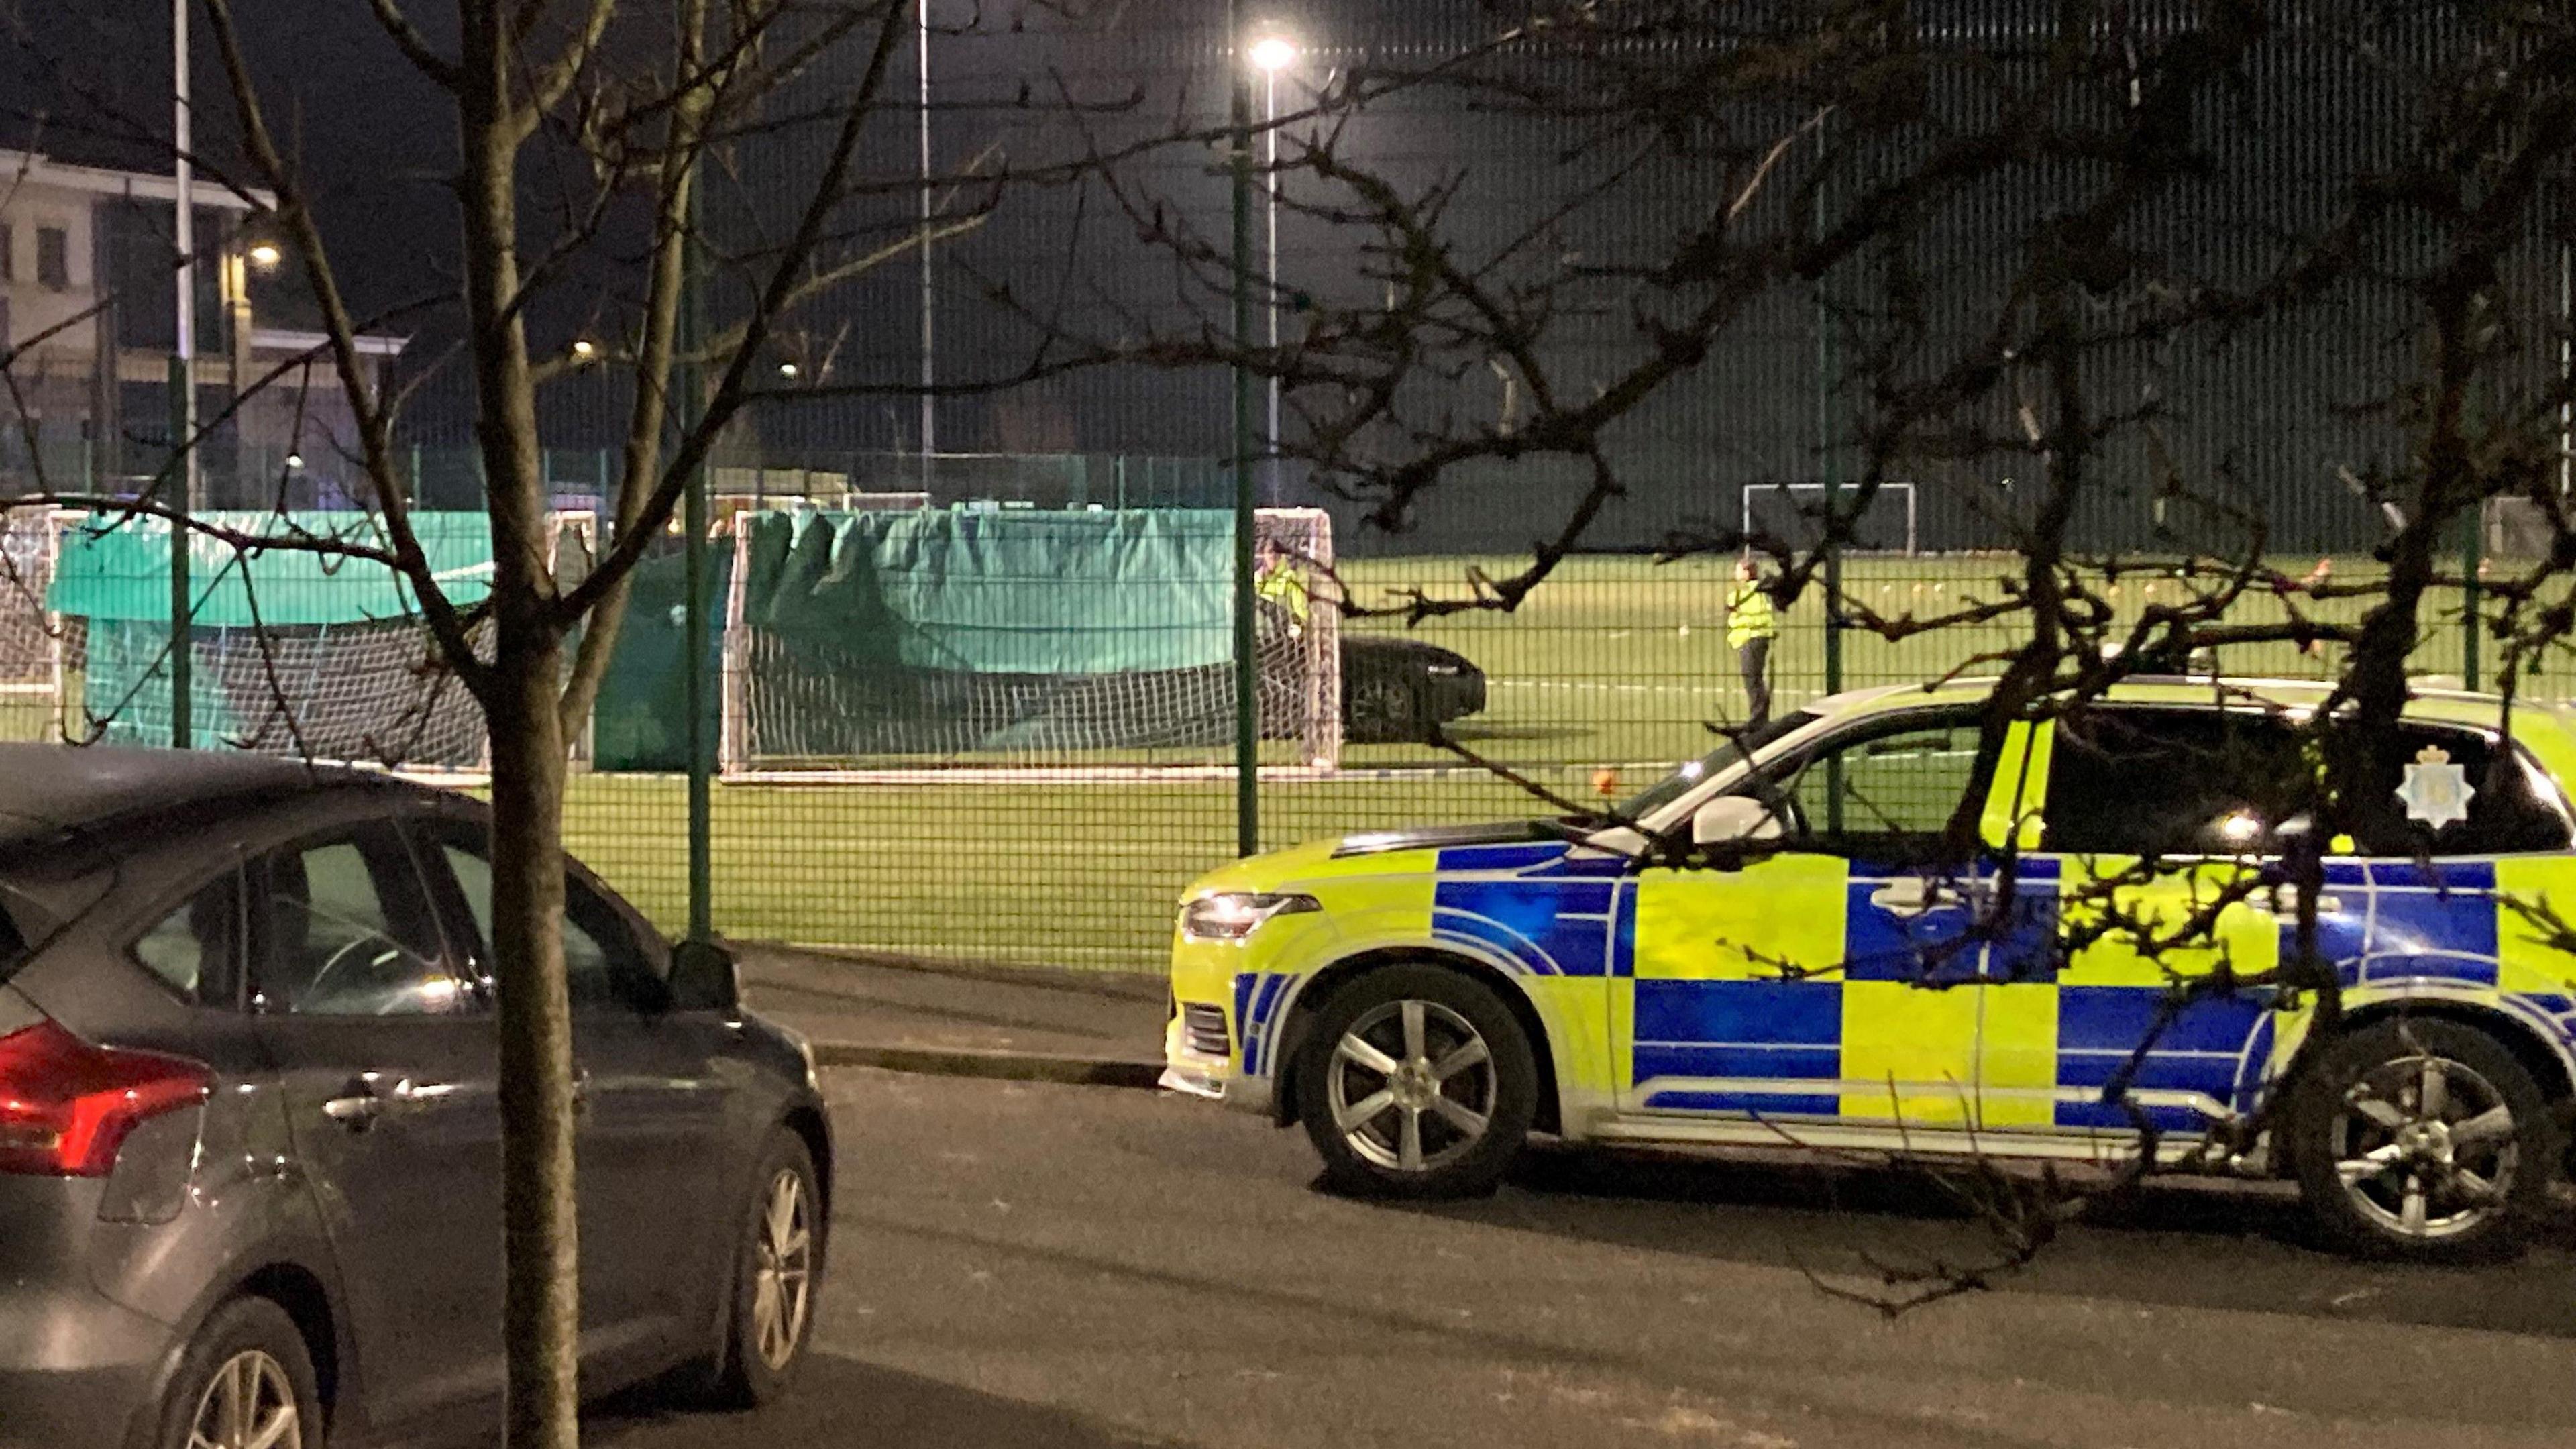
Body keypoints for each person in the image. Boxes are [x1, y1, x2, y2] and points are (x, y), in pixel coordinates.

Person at [1727, 555, 1779, 727]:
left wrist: (1734, 608)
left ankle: (1758, 719)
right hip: (1756, 638)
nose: (1735, 572)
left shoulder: (1748, 593)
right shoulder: (1759, 591)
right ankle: (1759, 717)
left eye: (1739, 569)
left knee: (1752, 678)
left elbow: (1754, 615)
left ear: (1747, 573)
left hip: (1751, 639)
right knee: (1754, 678)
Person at [1255, 535, 1311, 640]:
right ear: (1264, 555)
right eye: (1270, 552)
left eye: (1276, 553)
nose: (1273, 556)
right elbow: (1259, 589)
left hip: (1294, 603)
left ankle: (1299, 624)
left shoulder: (1287, 567)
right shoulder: (1259, 574)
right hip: (1274, 601)